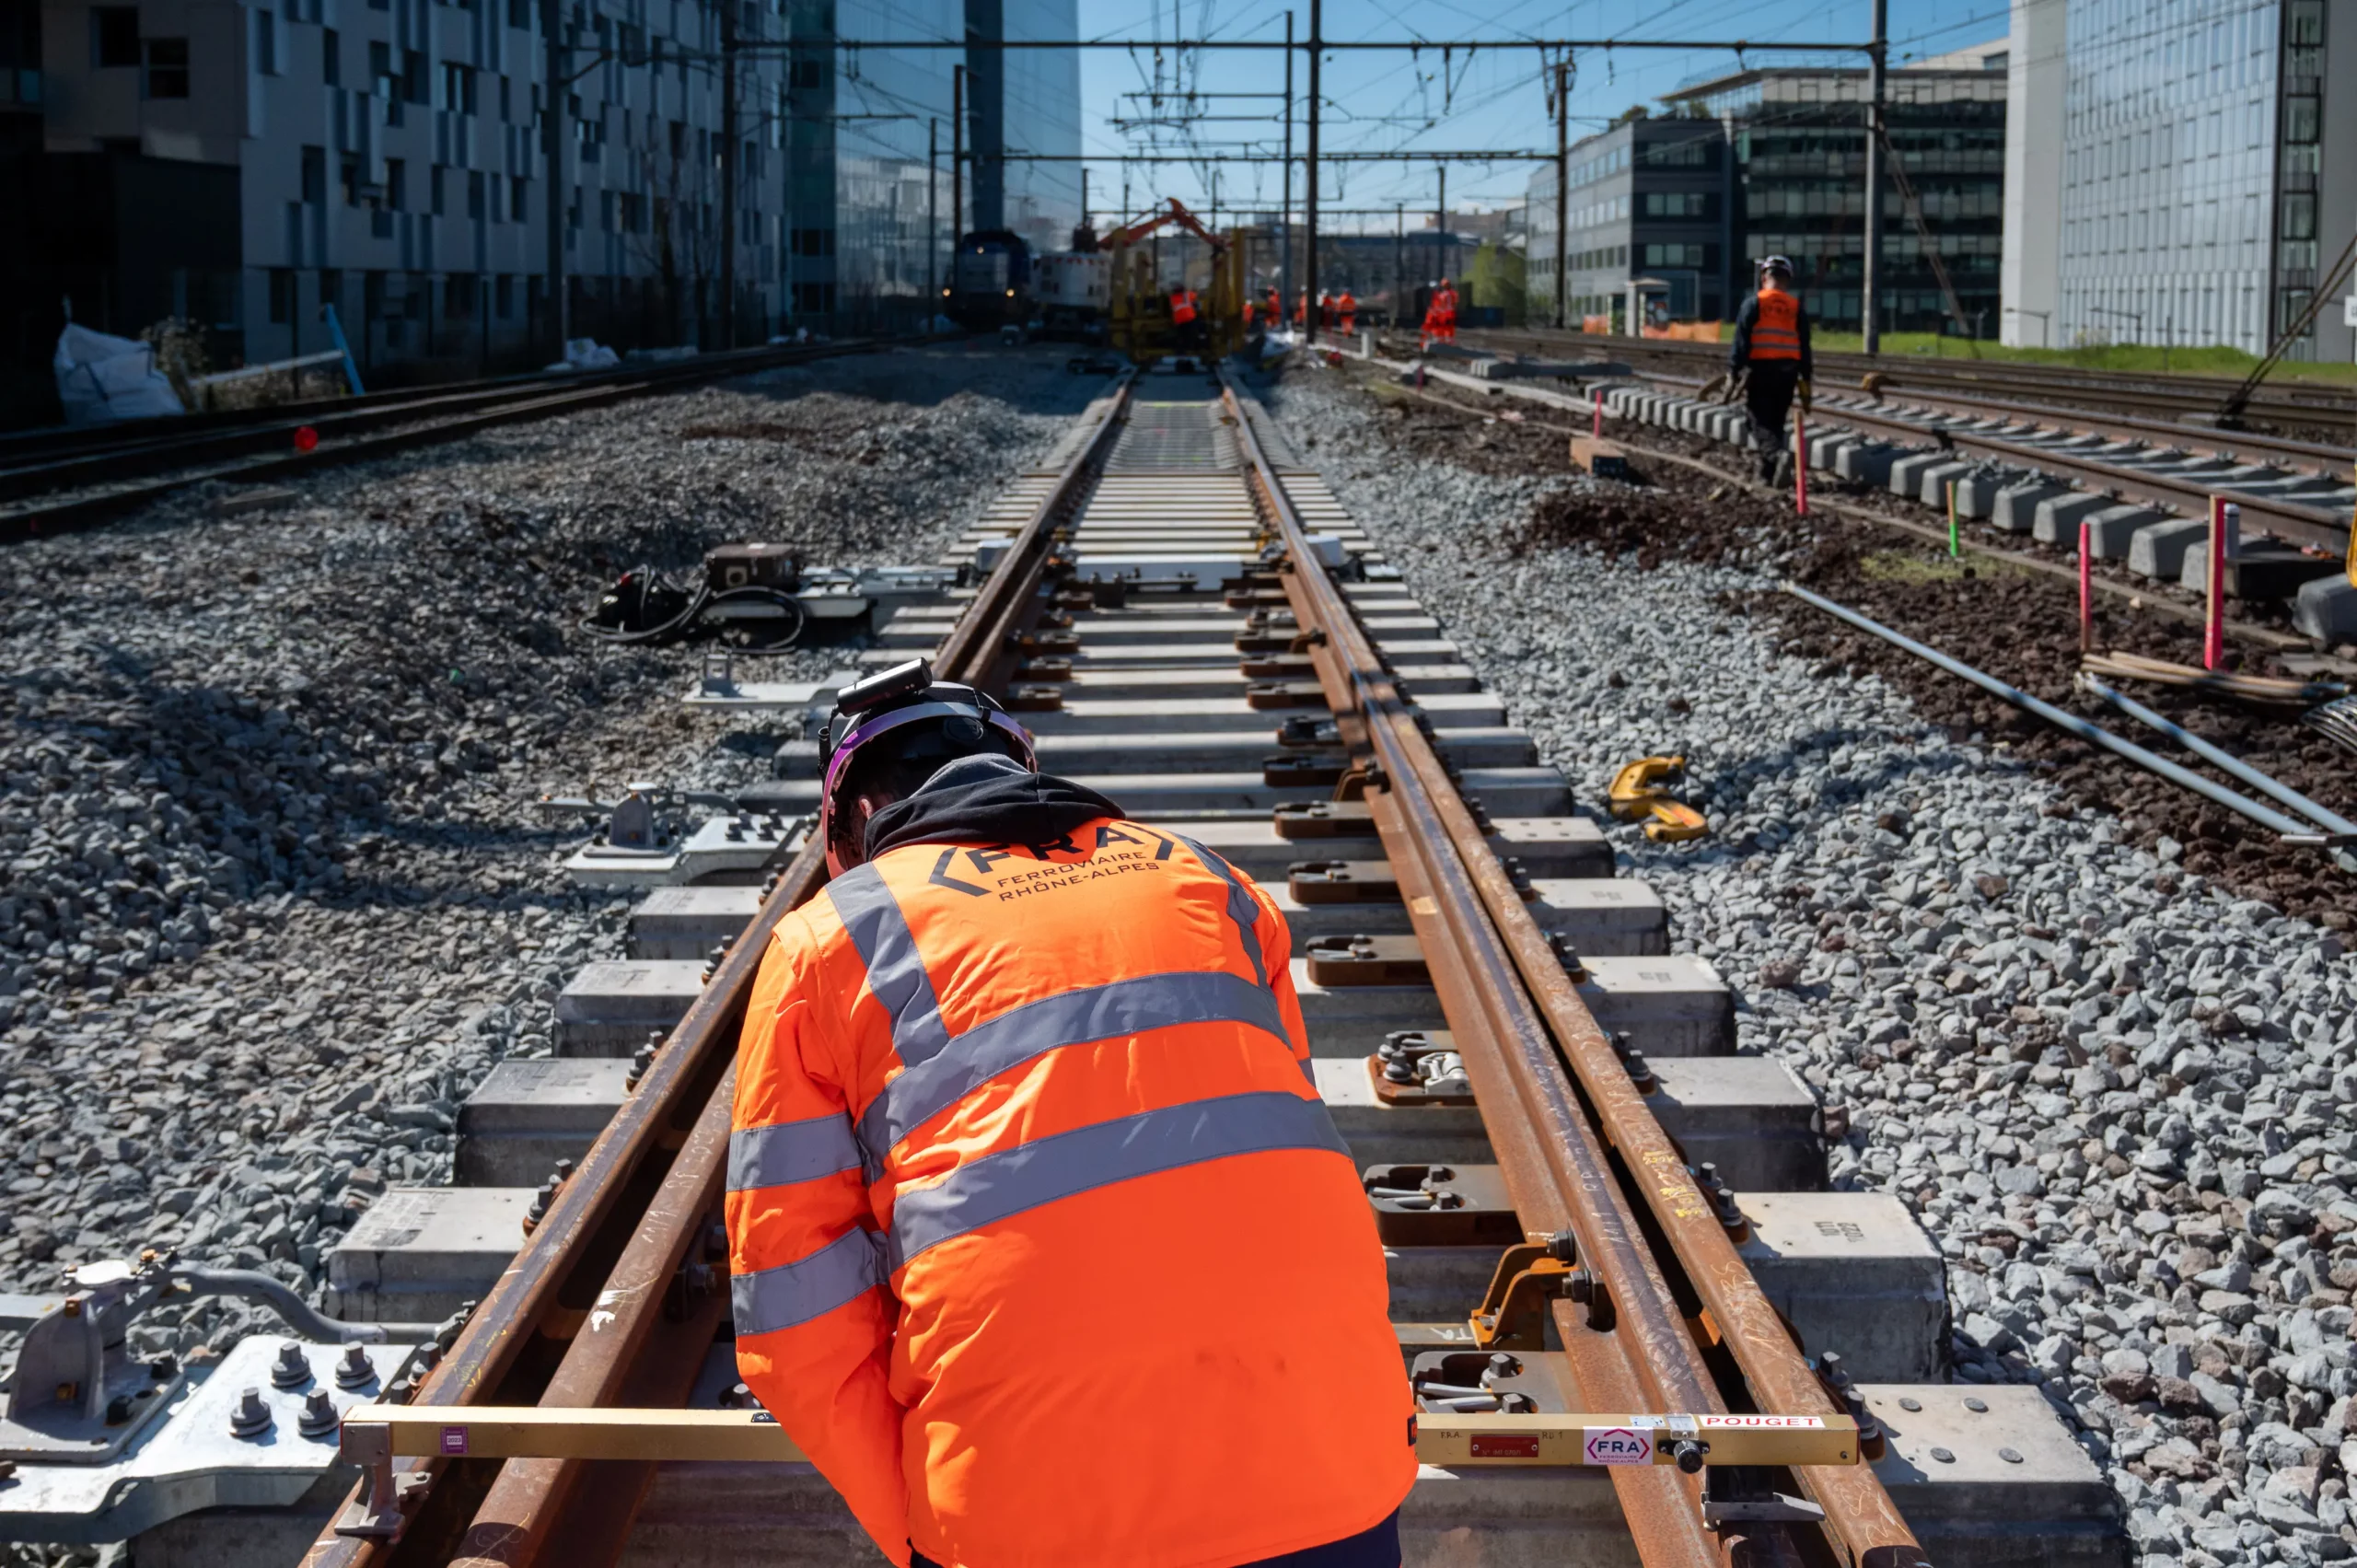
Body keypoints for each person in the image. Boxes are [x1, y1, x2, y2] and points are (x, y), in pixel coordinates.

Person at [727, 660, 1415, 1568]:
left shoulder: (826, 939)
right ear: (1020, 771)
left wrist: (929, 1520)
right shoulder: (1213, 881)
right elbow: (1276, 1139)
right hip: (1333, 1472)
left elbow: (792, 1312)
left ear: (856, 819)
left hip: (1030, 1519)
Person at [1728, 254, 1813, 487]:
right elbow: (1805, 346)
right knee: (1775, 422)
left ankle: (1777, 456)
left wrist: (1734, 371)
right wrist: (1806, 379)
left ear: (1764, 277)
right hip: (1788, 373)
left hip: (1761, 370)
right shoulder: (1796, 308)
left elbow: (1741, 342)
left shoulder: (1754, 303)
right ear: (1788, 280)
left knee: (1756, 421)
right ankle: (1768, 474)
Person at [1422, 277, 1457, 347]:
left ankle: (1440, 340)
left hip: (1443, 313)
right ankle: (1449, 341)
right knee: (1449, 327)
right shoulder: (1453, 293)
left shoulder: (1443, 295)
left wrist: (1437, 311)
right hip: (1450, 312)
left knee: (1439, 327)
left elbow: (1441, 305)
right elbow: (1455, 303)